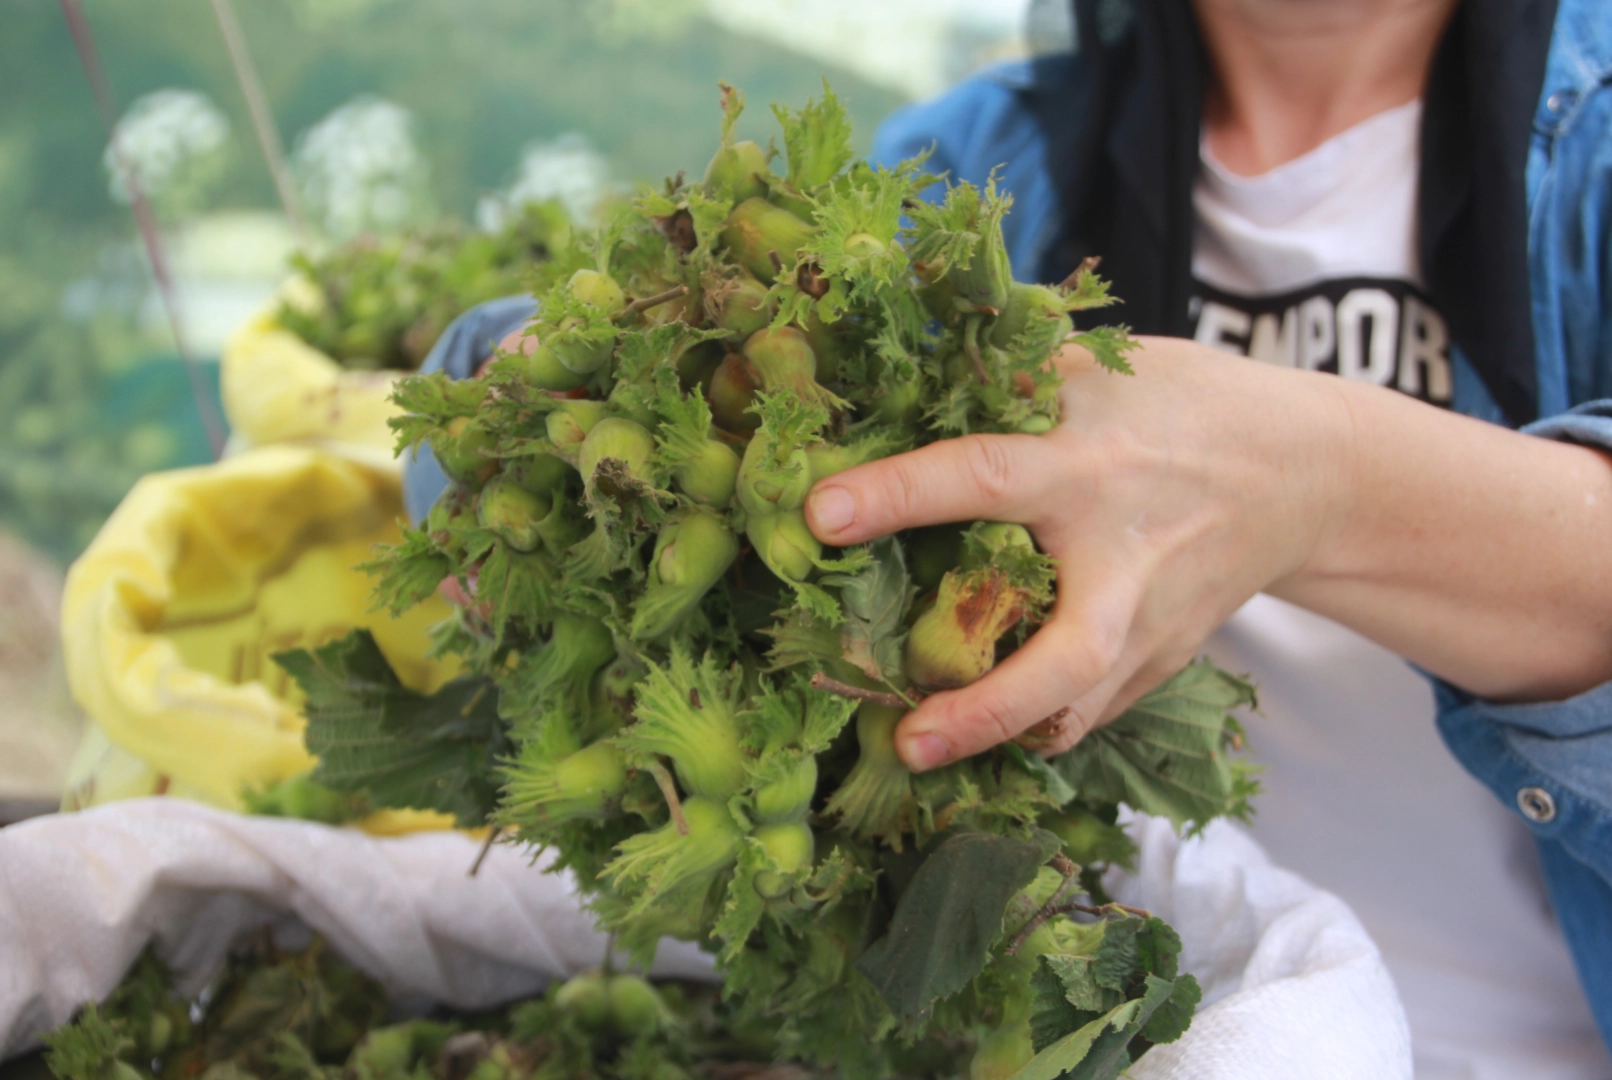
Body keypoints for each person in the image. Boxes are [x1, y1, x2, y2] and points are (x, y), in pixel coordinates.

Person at [405, 0, 1611, 1071]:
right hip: (1133, 1033)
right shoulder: (979, 157)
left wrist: (1321, 478)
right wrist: (520, 401)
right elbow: (494, 419)